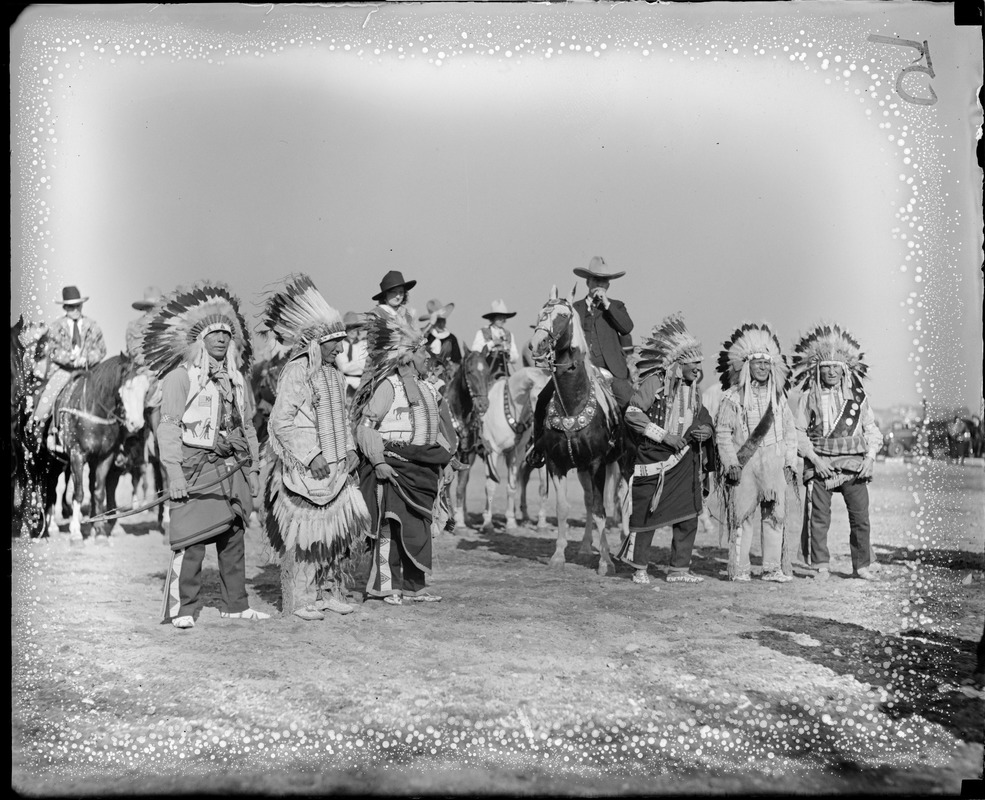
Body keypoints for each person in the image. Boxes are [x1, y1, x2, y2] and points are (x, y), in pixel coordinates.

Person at [145, 282, 269, 629]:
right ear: (200, 340)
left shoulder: (237, 381)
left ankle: (235, 605)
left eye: (226, 334)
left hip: (232, 470)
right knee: (192, 542)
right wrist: (175, 475)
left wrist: (254, 469)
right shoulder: (179, 379)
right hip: (194, 468)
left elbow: (247, 427)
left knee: (233, 537)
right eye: (213, 334)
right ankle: (181, 610)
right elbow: (167, 429)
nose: (221, 339)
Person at [259, 275, 372, 620]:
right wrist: (311, 455)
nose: (341, 349)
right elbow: (281, 421)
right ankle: (303, 599)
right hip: (308, 468)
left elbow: (340, 415)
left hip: (337, 467)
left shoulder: (334, 373)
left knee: (335, 533)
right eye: (335, 343)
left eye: (341, 343)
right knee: (307, 535)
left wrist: (350, 447)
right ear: (316, 342)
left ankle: (330, 591)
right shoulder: (297, 372)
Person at [352, 308, 459, 605]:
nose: (429, 358)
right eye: (424, 352)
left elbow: (434, 430)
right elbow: (365, 426)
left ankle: (414, 587)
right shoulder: (389, 387)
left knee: (417, 529)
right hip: (393, 468)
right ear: (410, 354)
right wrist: (379, 461)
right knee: (391, 527)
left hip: (423, 471)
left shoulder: (428, 388)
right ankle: (386, 587)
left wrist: (447, 460)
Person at [616, 314, 714, 584]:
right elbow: (633, 414)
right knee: (647, 513)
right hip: (656, 457)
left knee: (689, 514)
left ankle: (679, 569)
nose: (698, 368)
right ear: (679, 362)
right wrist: (665, 436)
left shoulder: (693, 388)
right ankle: (639, 568)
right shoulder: (656, 382)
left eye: (699, 363)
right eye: (694, 363)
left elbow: (702, 416)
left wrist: (705, 429)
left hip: (684, 460)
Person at [792, 323, 883, 581]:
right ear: (818, 370)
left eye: (835, 367)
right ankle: (820, 564)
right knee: (818, 519)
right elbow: (798, 433)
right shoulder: (808, 397)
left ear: (844, 370)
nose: (831, 371)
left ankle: (862, 564)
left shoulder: (858, 397)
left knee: (860, 518)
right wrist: (815, 460)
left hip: (853, 466)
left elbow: (871, 431)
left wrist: (870, 459)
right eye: (826, 367)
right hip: (820, 464)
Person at [714, 322, 798, 583]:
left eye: (766, 362)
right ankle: (740, 569)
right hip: (745, 464)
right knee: (742, 517)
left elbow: (790, 432)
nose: (762, 367)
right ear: (747, 365)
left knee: (775, 517)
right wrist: (730, 462)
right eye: (757, 362)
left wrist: (789, 461)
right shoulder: (733, 397)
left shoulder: (779, 398)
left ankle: (771, 568)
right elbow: (723, 433)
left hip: (773, 463)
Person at [31, 285, 107, 451]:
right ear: (65, 307)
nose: (75, 309)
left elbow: (101, 349)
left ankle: (115, 438)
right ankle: (38, 433)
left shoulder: (92, 325)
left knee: (108, 393)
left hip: (88, 370)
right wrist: (71, 359)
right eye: (71, 306)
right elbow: (52, 350)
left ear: (81, 305)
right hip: (64, 370)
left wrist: (86, 359)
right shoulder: (56, 326)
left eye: (77, 306)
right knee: (48, 397)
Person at [572, 256, 635, 409]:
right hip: (581, 370)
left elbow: (626, 328)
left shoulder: (617, 306)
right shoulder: (575, 308)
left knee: (630, 405)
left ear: (608, 285)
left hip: (612, 370)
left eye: (604, 281)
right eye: (596, 280)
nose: (600, 284)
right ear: (588, 282)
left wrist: (607, 304)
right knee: (548, 398)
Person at [471, 300, 521, 380]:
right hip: (487, 369)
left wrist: (508, 352)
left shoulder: (509, 334)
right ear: (493, 318)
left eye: (503, 317)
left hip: (504, 369)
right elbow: (476, 351)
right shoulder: (483, 332)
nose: (502, 320)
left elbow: (515, 357)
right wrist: (492, 343)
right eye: (499, 317)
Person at [420, 298, 462, 385]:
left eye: (442, 320)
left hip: (445, 376)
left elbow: (457, 361)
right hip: (425, 374)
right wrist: (430, 324)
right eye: (438, 321)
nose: (440, 323)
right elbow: (416, 341)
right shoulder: (426, 335)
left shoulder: (451, 338)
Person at [335, 311, 369, 402]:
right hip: (344, 384)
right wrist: (360, 364)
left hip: (361, 383)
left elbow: (368, 365)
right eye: (350, 328)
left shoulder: (364, 344)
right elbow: (343, 368)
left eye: (355, 328)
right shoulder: (340, 345)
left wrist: (354, 365)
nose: (353, 331)